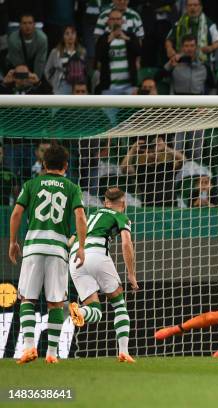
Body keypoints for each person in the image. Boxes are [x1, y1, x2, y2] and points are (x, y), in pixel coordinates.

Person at [8, 143, 88, 364]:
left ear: (43, 164)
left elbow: (16, 214)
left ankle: (28, 348)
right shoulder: (72, 187)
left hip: (33, 247)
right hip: (57, 250)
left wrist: (13, 242)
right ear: (66, 165)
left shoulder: (31, 184)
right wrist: (81, 247)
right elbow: (81, 218)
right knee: (55, 303)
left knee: (27, 300)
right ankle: (52, 354)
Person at [68, 187, 138, 363]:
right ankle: (123, 352)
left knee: (95, 312)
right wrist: (131, 274)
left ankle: (80, 311)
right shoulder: (121, 216)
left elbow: (70, 241)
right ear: (123, 202)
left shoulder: (91, 217)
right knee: (119, 304)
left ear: (105, 202)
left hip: (76, 257)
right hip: (97, 254)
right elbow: (126, 244)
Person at [119, 136, 185, 206]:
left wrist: (166, 148)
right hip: (149, 209)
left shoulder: (168, 166)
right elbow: (123, 168)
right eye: (149, 152)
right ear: (145, 153)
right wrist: (132, 150)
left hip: (170, 207)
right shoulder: (141, 168)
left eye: (154, 151)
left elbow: (182, 160)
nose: (152, 154)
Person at [165, 0, 218, 72]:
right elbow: (169, 39)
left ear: (201, 7)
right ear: (186, 7)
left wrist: (210, 48)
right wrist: (169, 48)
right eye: (190, 5)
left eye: (195, 5)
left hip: (203, 64)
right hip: (182, 62)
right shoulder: (179, 24)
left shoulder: (209, 24)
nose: (192, 8)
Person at [94, 8, 141, 95]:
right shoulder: (103, 39)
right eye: (113, 19)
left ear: (122, 21)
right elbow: (98, 58)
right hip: (109, 88)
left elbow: (139, 52)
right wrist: (109, 40)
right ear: (108, 21)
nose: (115, 21)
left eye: (118, 19)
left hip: (129, 87)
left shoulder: (131, 36)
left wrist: (126, 39)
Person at [44, 26, 88, 95]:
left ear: (76, 35)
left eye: (72, 33)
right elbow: (47, 70)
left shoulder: (82, 51)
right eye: (67, 34)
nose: (70, 36)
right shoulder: (55, 52)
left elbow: (85, 70)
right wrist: (54, 83)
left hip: (78, 86)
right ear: (63, 36)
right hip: (61, 84)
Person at [6, 14, 48, 79]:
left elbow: (40, 61)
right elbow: (17, 63)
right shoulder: (13, 39)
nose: (27, 26)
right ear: (20, 25)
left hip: (33, 64)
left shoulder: (42, 38)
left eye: (30, 23)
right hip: (14, 65)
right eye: (24, 23)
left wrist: (35, 80)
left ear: (34, 25)